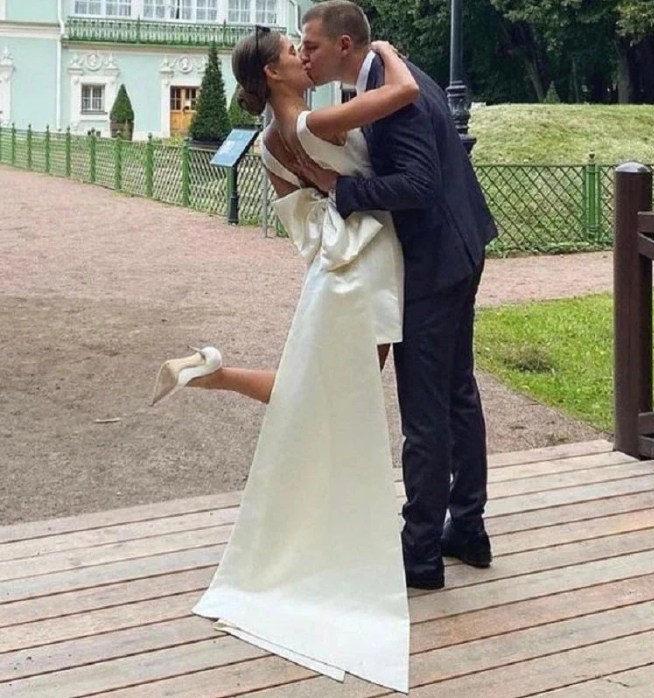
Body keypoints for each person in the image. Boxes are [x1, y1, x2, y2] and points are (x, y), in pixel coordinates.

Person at [151, 29, 419, 693]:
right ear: (273, 72)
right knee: (340, 392)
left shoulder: (277, 133)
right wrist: (381, 47)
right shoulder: (313, 120)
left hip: (339, 263)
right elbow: (404, 92)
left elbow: (307, 207)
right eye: (292, 50)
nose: (304, 55)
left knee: (319, 390)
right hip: (359, 262)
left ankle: (212, 373)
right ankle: (217, 380)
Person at [297, 0, 499, 591]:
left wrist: (345, 192)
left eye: (310, 45)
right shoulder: (388, 72)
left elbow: (416, 183)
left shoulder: (389, 82)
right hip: (462, 245)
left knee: (425, 406)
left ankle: (420, 553)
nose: (303, 54)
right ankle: (468, 529)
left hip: (436, 261)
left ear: (342, 45)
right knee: (457, 390)